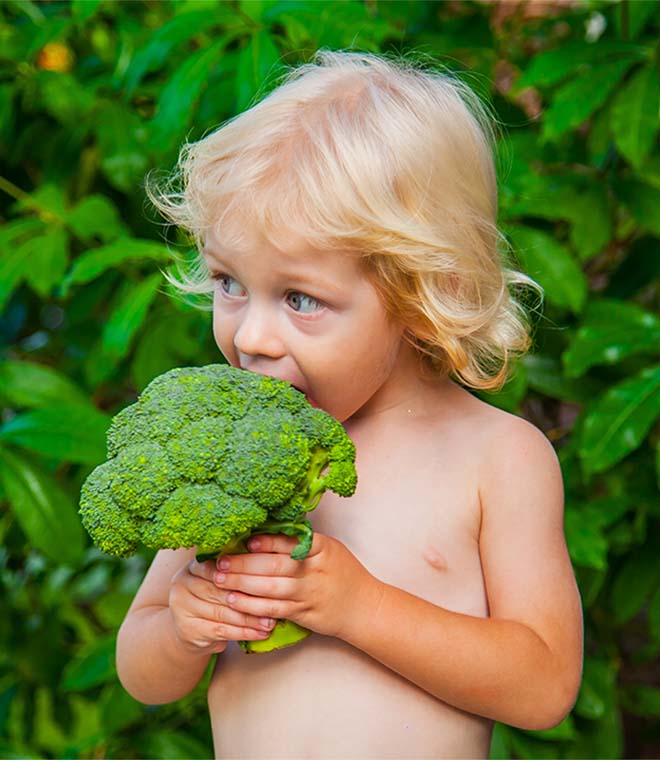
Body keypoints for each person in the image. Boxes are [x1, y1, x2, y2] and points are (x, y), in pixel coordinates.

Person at [117, 49, 583, 759]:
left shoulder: (496, 458)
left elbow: (544, 686)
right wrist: (184, 624)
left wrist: (360, 607)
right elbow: (143, 672)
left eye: (300, 299)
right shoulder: (228, 455)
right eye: (229, 282)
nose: (251, 334)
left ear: (422, 291)